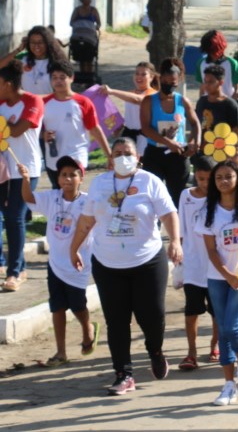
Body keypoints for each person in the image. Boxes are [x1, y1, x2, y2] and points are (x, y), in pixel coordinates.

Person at [69, 137, 182, 395]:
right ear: (110, 158)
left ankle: (155, 351)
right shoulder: (99, 183)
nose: (123, 157)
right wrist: (73, 248)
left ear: (138, 156)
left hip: (147, 261)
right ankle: (123, 373)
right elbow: (86, 220)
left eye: (128, 152)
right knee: (116, 321)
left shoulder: (150, 181)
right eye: (117, 153)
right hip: (108, 264)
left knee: (151, 316)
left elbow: (168, 213)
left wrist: (175, 241)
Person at [18, 156, 97, 367]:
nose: (67, 179)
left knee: (78, 305)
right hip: (55, 263)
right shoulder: (52, 197)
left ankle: (87, 328)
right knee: (57, 307)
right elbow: (29, 198)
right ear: (58, 178)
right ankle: (61, 352)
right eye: (63, 175)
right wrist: (25, 179)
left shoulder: (88, 202)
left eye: (73, 175)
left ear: (81, 178)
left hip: (78, 264)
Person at [197, 161, 238, 405]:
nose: (223, 181)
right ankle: (228, 385)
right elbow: (211, 250)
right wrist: (227, 274)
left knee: (232, 326)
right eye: (219, 177)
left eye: (229, 176)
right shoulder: (208, 211)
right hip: (218, 277)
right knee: (223, 329)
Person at [175, 156, 217, 371]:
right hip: (192, 264)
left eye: (209, 179)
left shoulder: (221, 197)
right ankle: (191, 352)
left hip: (216, 265)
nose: (205, 183)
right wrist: (179, 252)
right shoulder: (186, 196)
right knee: (192, 311)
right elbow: (181, 228)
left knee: (217, 311)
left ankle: (215, 345)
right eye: (201, 179)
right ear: (195, 177)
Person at [41, 60, 111, 189]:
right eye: (54, 78)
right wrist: (43, 135)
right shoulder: (44, 103)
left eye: (62, 77)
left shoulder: (83, 102)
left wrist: (109, 155)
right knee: (58, 192)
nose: (58, 81)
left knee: (71, 190)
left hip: (76, 154)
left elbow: (95, 129)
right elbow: (36, 129)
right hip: (53, 157)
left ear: (71, 78)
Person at [139, 59, 199, 202]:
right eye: (166, 82)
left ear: (178, 81)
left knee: (178, 197)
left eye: (173, 83)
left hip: (178, 155)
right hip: (155, 154)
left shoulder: (183, 101)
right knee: (152, 196)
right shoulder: (149, 101)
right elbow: (145, 128)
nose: (169, 85)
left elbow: (195, 123)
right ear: (160, 79)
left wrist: (194, 143)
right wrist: (167, 142)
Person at [102, 62, 159, 156]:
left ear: (151, 77)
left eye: (143, 74)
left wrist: (111, 91)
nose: (139, 77)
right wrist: (120, 126)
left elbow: (138, 100)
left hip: (145, 138)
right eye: (137, 73)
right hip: (128, 137)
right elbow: (132, 114)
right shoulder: (130, 93)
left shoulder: (154, 94)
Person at [0, 25, 68, 96]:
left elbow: (63, 91)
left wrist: (37, 99)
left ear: (48, 43)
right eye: (32, 42)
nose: (36, 45)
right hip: (27, 102)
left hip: (48, 102)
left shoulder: (57, 62)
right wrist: (18, 49)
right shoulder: (23, 59)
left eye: (40, 42)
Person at [194, 66, 238, 155]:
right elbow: (196, 125)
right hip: (202, 152)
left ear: (221, 82)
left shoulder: (230, 105)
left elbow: (237, 133)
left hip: (222, 154)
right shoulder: (201, 101)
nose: (207, 85)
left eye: (211, 82)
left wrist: (233, 152)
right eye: (205, 81)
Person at [195, 30, 238, 100]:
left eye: (213, 50)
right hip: (208, 103)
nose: (212, 54)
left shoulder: (232, 63)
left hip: (227, 102)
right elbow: (202, 86)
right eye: (209, 50)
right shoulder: (201, 63)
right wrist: (201, 102)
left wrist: (232, 102)